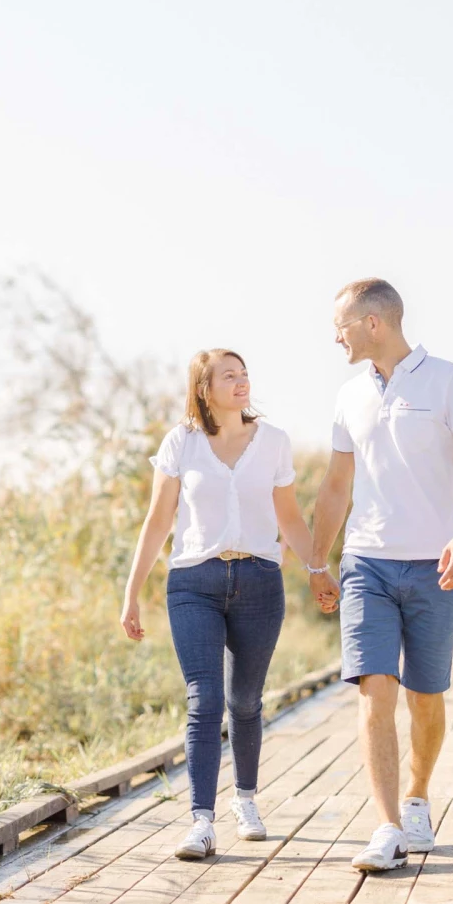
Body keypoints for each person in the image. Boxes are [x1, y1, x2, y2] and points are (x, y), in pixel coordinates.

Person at [308, 279, 453, 873]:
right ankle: (388, 827)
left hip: (434, 566)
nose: (334, 337)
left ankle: (416, 798)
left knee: (426, 695)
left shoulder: (449, 380)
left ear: (373, 323)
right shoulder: (348, 395)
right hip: (366, 562)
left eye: (340, 325)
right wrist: (317, 560)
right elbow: (336, 487)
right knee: (375, 689)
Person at [121, 349, 319, 861]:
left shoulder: (273, 442)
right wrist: (132, 592)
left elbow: (291, 518)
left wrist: (319, 569)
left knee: (245, 701)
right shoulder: (181, 443)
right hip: (194, 582)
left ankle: (245, 800)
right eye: (228, 375)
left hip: (259, 581)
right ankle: (201, 822)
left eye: (244, 373)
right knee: (204, 700)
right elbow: (158, 521)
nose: (241, 381)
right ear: (204, 389)